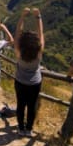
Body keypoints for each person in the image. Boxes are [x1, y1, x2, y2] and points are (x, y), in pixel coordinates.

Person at [14, 7, 45, 137]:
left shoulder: (19, 52)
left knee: (21, 105)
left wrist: (22, 17)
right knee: (32, 106)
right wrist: (38, 17)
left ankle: (21, 128)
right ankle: (29, 129)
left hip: (20, 81)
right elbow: (41, 33)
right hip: (34, 83)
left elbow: (17, 34)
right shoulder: (38, 52)